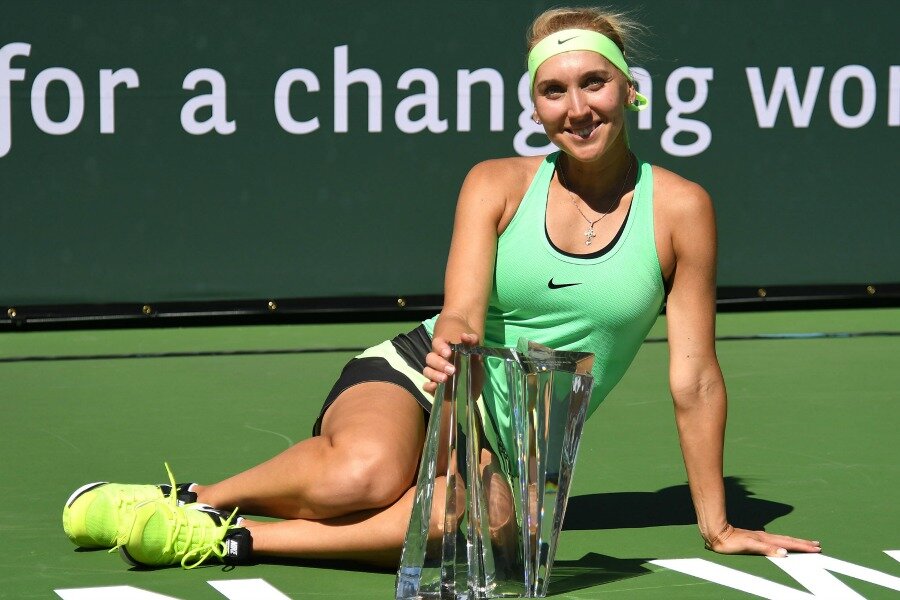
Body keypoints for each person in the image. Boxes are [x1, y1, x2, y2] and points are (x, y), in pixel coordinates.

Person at [62, 7, 822, 570]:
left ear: (629, 89)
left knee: (468, 521)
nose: (577, 108)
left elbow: (694, 377)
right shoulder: (494, 183)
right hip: (423, 377)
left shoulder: (682, 209)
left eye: (594, 83)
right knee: (365, 475)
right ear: (535, 105)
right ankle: (193, 499)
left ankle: (226, 540)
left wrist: (717, 525)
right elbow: (460, 314)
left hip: (518, 440)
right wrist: (455, 362)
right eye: (554, 91)